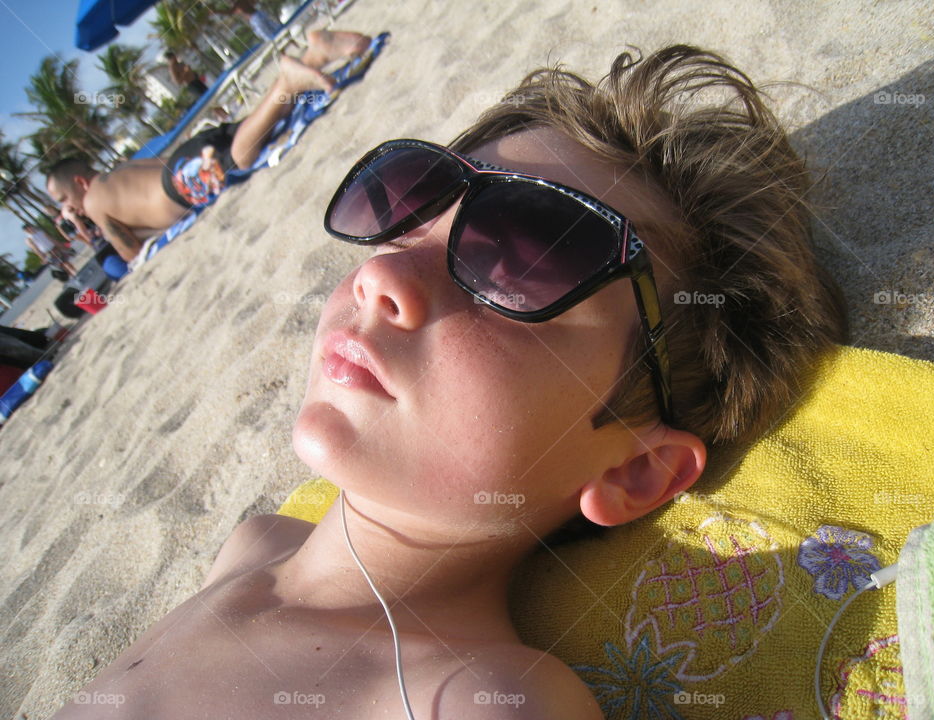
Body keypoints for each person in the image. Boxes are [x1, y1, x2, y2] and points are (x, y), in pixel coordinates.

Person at [49, 44, 846, 718]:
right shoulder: (254, 543)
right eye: (410, 204)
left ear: (635, 469)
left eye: (525, 258)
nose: (384, 272)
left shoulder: (474, 698)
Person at [46, 30, 373, 264]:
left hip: (178, 181)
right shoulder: (116, 173)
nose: (67, 208)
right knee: (256, 127)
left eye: (63, 200)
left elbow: (130, 254)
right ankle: (315, 53)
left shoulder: (92, 202)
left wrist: (80, 226)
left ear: (79, 183)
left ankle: (289, 80)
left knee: (239, 159)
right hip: (186, 154)